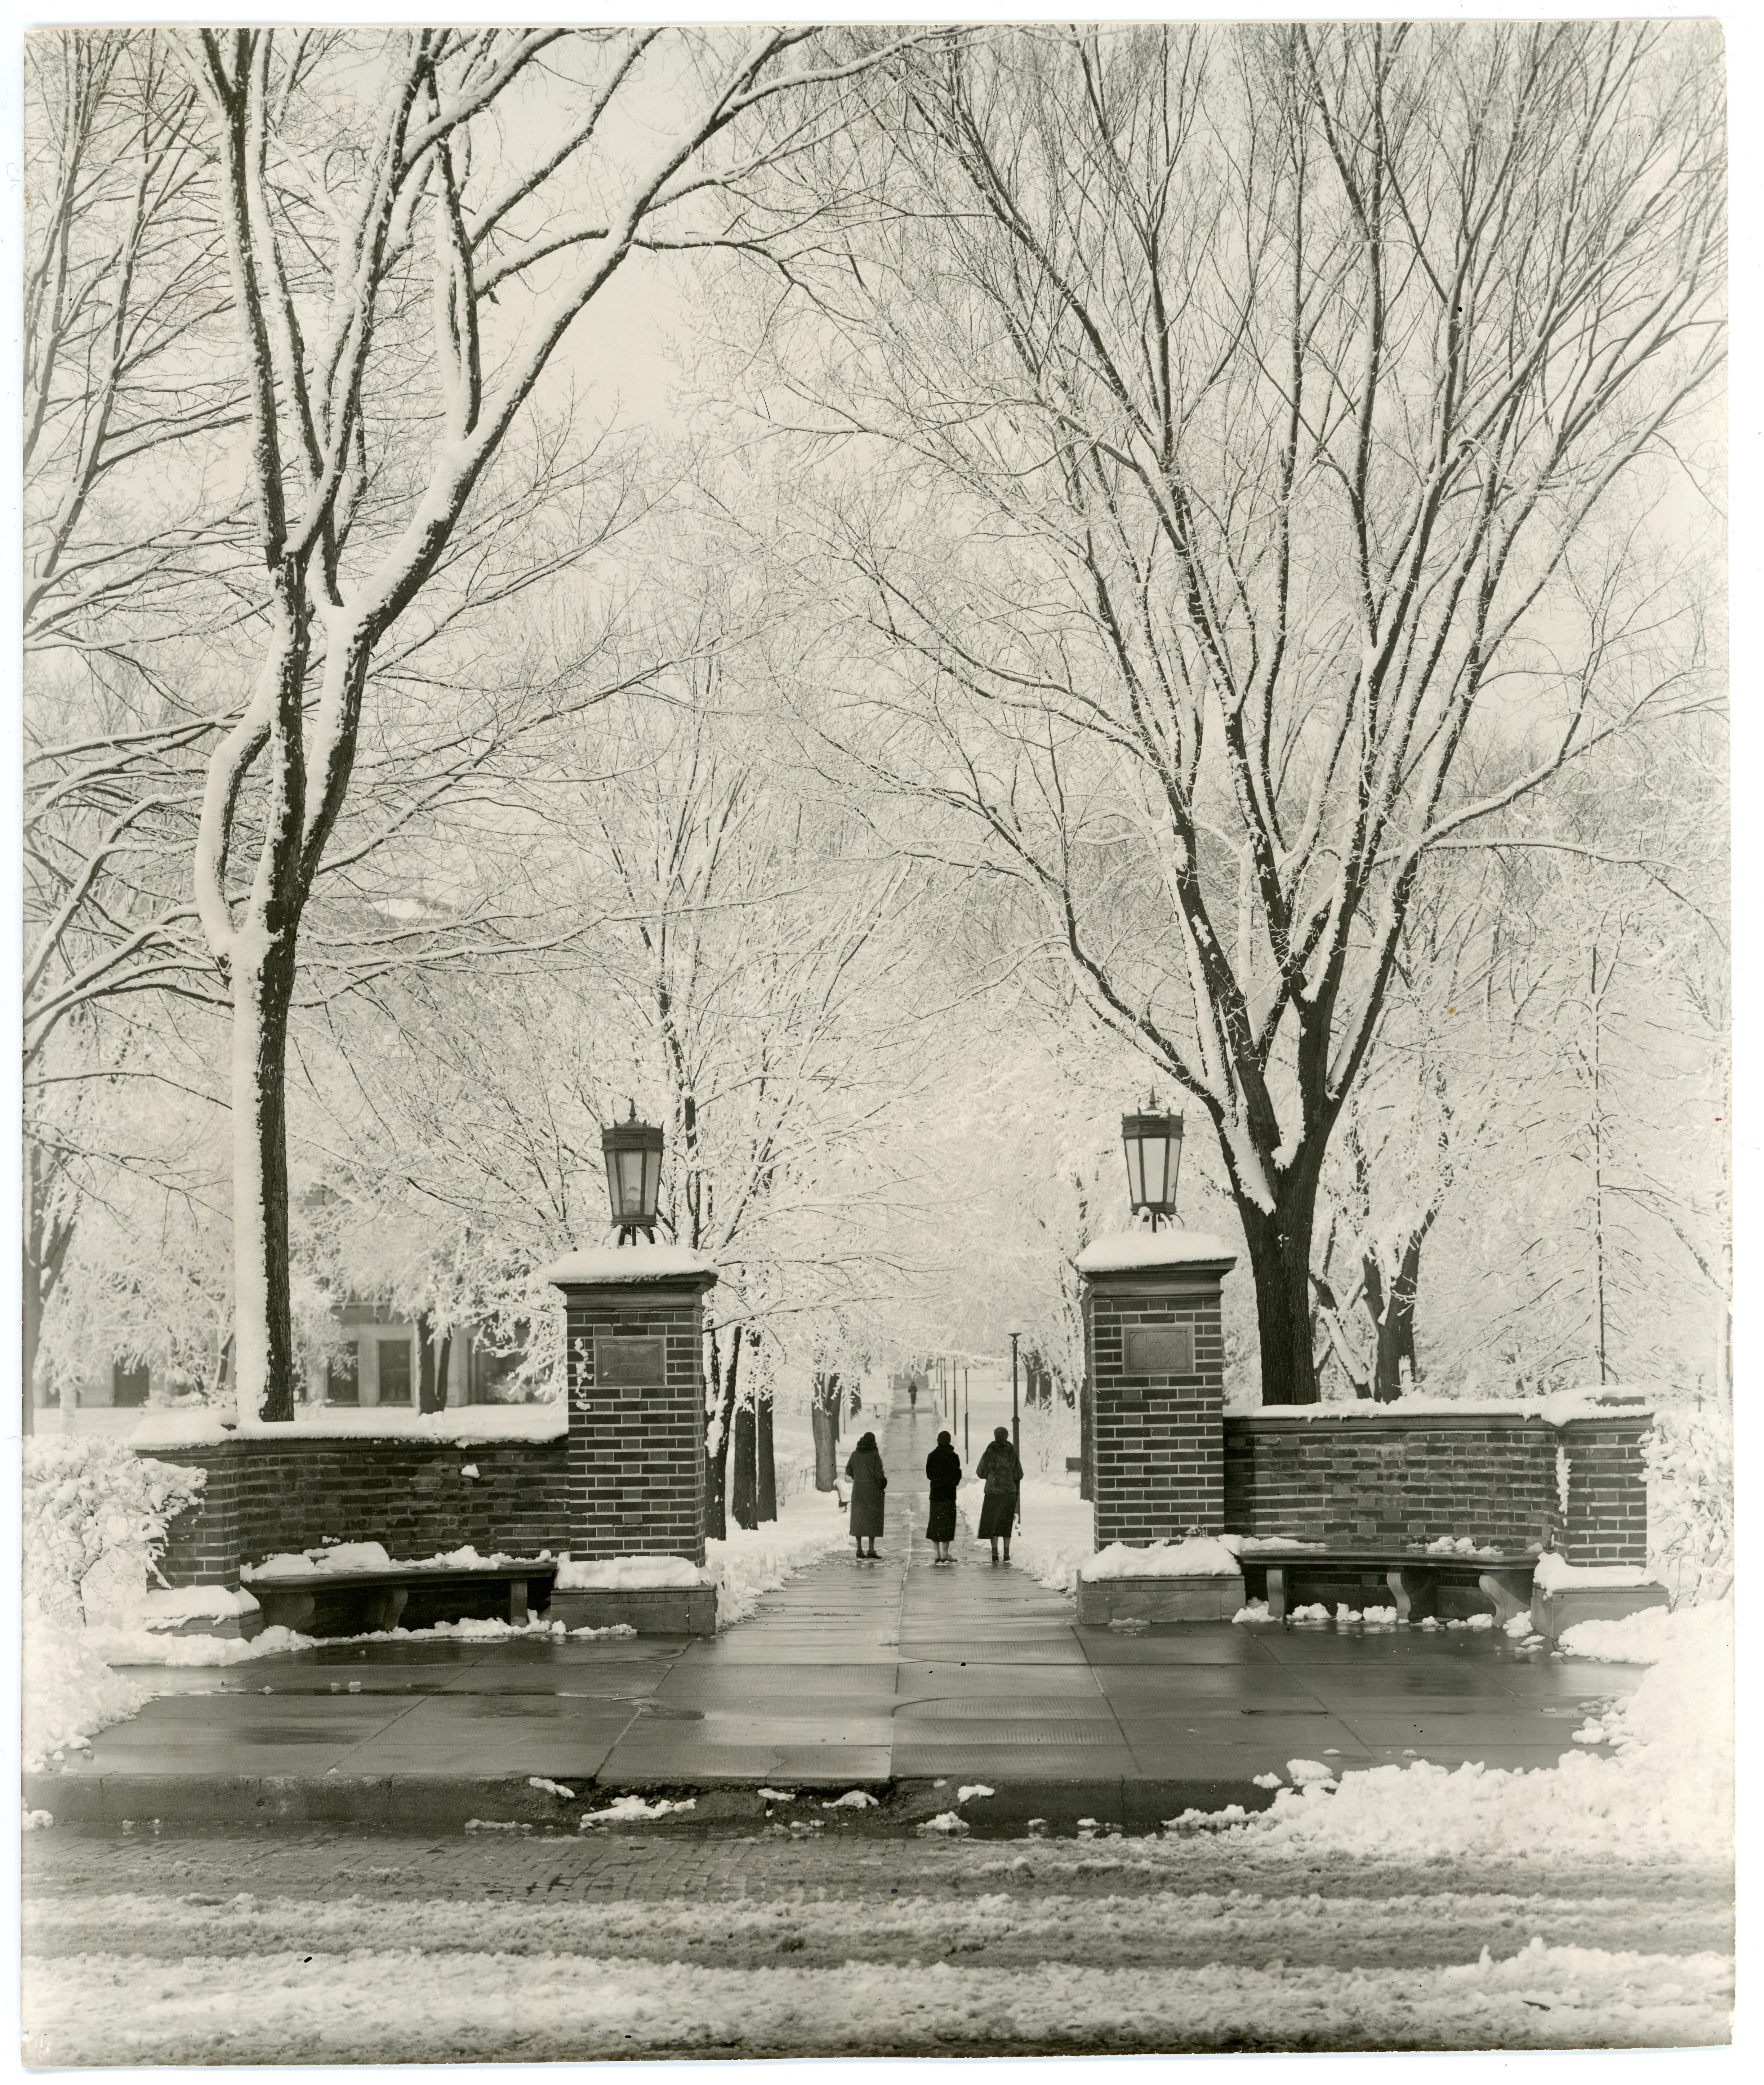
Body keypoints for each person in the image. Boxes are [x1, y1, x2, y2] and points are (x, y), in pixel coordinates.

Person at [975, 1426, 1022, 1564]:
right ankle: (1007, 1553)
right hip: (1009, 1493)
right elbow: (1019, 1474)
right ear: (1007, 1437)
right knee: (1006, 1523)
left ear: (995, 1436)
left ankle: (995, 1553)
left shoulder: (989, 1452)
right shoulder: (1011, 1452)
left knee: (993, 1523)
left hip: (993, 1493)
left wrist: (991, 1477)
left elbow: (980, 1472)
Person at [845, 1431, 886, 1559]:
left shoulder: (855, 1454)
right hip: (872, 1491)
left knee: (859, 1520)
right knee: (872, 1520)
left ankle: (859, 1549)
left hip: (858, 1490)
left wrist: (858, 1477)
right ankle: (871, 1549)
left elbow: (848, 1471)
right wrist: (882, 1484)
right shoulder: (874, 1456)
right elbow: (879, 1475)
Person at [924, 1430, 962, 1564]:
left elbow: (929, 1475)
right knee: (948, 1523)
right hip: (949, 1494)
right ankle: (945, 1554)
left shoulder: (932, 1456)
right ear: (949, 1441)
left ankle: (937, 1553)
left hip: (935, 1494)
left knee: (936, 1522)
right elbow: (957, 1475)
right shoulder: (954, 1457)